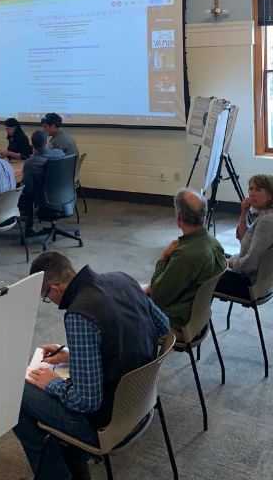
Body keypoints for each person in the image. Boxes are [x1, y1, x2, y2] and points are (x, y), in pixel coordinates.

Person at [14, 251, 170, 480]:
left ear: (55, 290)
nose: (50, 302)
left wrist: (53, 384)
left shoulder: (79, 314)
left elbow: (86, 401)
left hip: (108, 424)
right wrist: (74, 355)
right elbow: (163, 327)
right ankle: (72, 457)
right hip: (142, 401)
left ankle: (58, 474)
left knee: (14, 395)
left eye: (46, 297)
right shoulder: (123, 279)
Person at [145, 188, 226, 332]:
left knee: (120, 307)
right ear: (204, 215)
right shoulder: (215, 244)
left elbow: (157, 297)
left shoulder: (185, 256)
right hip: (199, 318)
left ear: (178, 218)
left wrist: (162, 258)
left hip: (176, 322)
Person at [215, 173, 273, 300]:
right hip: (261, 282)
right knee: (214, 257)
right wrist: (243, 214)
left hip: (251, 284)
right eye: (251, 189)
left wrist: (229, 264)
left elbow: (250, 263)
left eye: (258, 189)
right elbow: (244, 241)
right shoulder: (266, 215)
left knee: (202, 274)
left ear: (269, 195)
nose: (252, 193)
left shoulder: (266, 221)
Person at [19, 130, 64, 235]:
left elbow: (26, 189)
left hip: (42, 201)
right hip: (64, 197)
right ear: (47, 143)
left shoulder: (30, 163)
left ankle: (29, 225)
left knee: (22, 195)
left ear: (33, 146)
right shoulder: (59, 154)